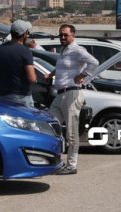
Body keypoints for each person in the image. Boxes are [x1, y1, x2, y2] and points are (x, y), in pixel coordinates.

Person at [45, 24, 99, 175]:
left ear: (73, 35)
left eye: (65, 35)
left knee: (71, 132)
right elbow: (63, 67)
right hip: (60, 94)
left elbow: (94, 62)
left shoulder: (77, 50)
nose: (62, 37)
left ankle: (71, 165)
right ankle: (55, 160)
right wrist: (51, 74)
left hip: (72, 93)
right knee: (50, 126)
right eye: (60, 35)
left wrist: (82, 75)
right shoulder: (64, 50)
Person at [0, 20, 37, 107]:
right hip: (21, 97)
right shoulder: (25, 51)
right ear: (24, 34)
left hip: (1, 95)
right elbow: (32, 78)